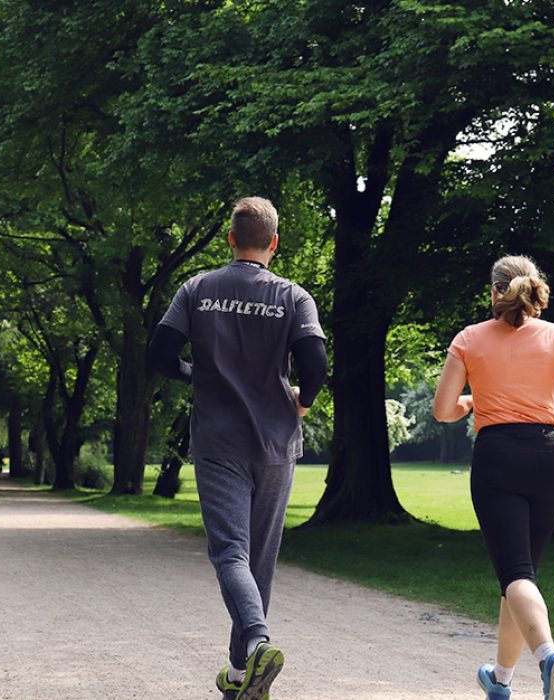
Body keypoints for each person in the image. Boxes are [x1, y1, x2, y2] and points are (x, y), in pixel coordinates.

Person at [147, 197, 328, 700]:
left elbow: (158, 354)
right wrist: (303, 402)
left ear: (230, 239)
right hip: (275, 443)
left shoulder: (197, 289)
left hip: (217, 440)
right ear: (273, 242)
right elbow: (315, 364)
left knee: (231, 553)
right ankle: (244, 671)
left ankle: (255, 645)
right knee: (258, 562)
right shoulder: (294, 297)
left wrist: (194, 375)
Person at [434, 255, 554, 700]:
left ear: (494, 292)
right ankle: (501, 680)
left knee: (515, 572)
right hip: (550, 459)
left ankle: (548, 657)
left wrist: (470, 405)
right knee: (520, 574)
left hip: (498, 458)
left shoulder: (469, 340)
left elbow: (442, 410)